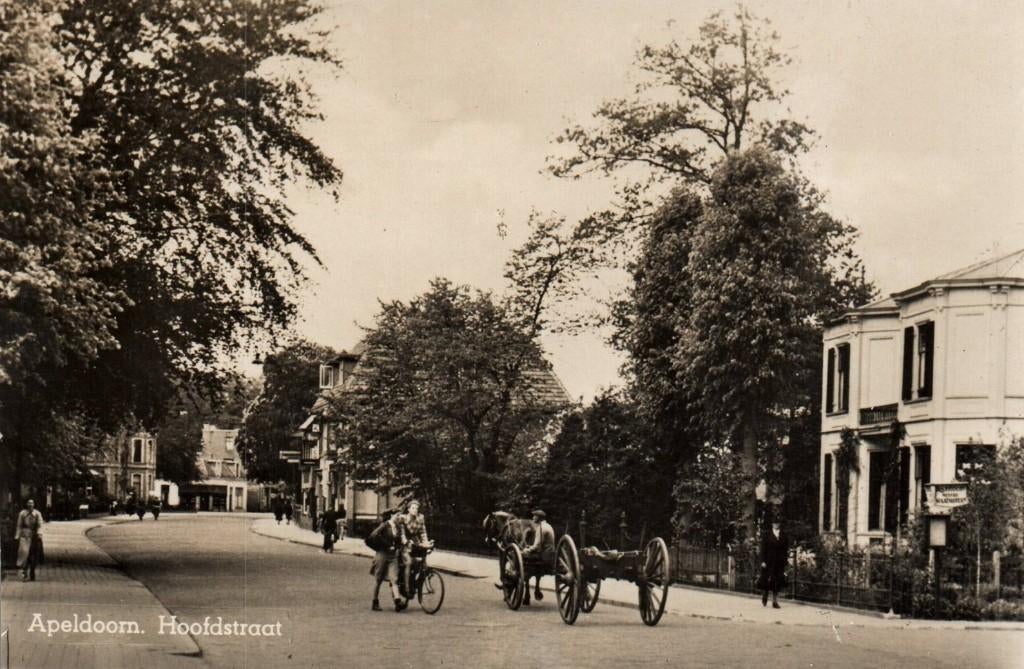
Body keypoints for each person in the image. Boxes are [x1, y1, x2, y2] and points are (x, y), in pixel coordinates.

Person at [366, 509, 405, 612]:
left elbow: (399, 541)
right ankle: (375, 601)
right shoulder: (384, 525)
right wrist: (387, 546)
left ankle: (397, 601)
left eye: (400, 515)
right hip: (382, 554)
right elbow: (375, 535)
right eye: (397, 515)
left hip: (393, 556)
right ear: (392, 515)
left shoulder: (398, 527)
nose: (399, 517)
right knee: (378, 579)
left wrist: (398, 545)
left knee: (394, 579)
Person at [396, 500, 430, 598]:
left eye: (416, 508)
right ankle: (406, 588)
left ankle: (416, 584)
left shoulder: (420, 518)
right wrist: (406, 541)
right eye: (413, 508)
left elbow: (423, 532)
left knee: (424, 564)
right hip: (405, 544)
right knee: (409, 563)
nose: (415, 510)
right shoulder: (403, 519)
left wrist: (426, 543)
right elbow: (402, 533)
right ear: (409, 509)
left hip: (415, 541)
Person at [760, 519, 790, 609]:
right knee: (767, 580)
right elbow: (763, 549)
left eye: (777, 523)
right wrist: (763, 561)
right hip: (769, 562)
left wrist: (785, 560)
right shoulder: (767, 535)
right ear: (772, 524)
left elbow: (785, 549)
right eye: (774, 523)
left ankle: (774, 601)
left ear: (779, 524)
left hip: (779, 562)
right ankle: (765, 594)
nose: (776, 525)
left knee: (777, 581)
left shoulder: (783, 535)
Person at [14, 499, 44, 581]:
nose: (30, 505)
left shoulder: (37, 514)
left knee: (33, 555)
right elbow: (19, 525)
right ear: (26, 504)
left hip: (34, 536)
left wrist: (39, 533)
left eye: (32, 503)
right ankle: (24, 574)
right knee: (24, 555)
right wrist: (17, 536)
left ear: (34, 504)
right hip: (25, 536)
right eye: (29, 503)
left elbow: (40, 524)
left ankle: (32, 571)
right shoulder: (22, 514)